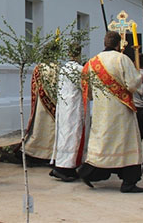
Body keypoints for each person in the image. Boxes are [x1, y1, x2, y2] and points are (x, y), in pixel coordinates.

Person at [78, 31, 143, 193]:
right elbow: (132, 84)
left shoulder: (92, 62)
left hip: (102, 112)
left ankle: (88, 173)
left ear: (104, 42)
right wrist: (140, 77)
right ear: (119, 44)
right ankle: (129, 182)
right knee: (127, 144)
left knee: (103, 145)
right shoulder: (122, 59)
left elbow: (86, 90)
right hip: (121, 110)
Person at [50, 44, 84, 182]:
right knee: (72, 136)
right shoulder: (79, 69)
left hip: (63, 107)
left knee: (64, 135)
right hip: (74, 106)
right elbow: (85, 87)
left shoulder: (63, 69)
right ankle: (64, 168)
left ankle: (64, 166)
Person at [24, 42, 59, 164]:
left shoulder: (38, 68)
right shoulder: (57, 68)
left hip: (41, 103)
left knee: (40, 127)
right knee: (51, 130)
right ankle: (51, 155)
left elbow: (34, 87)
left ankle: (35, 151)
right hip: (54, 105)